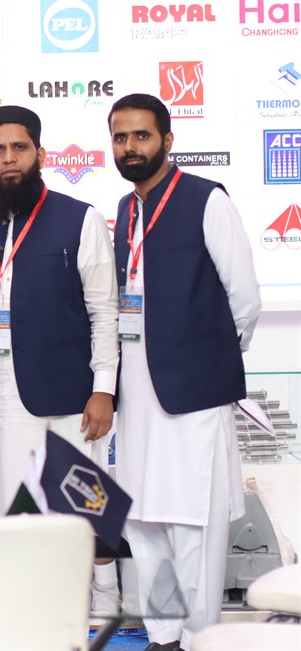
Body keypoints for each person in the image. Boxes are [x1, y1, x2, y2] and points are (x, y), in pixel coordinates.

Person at [0, 105, 119, 607]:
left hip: (63, 390)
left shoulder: (80, 218)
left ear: (40, 153)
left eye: (19, 148)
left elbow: (104, 311)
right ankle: (7, 606)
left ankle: (105, 596)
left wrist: (104, 388)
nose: (9, 158)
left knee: (82, 500)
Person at [108, 93, 261, 651]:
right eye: (120, 138)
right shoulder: (124, 210)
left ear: (168, 140)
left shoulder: (207, 199)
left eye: (141, 136)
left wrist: (206, 357)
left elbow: (244, 299)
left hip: (192, 394)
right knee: (143, 522)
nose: (130, 147)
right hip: (136, 396)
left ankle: (200, 640)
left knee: (192, 524)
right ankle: (164, 635)